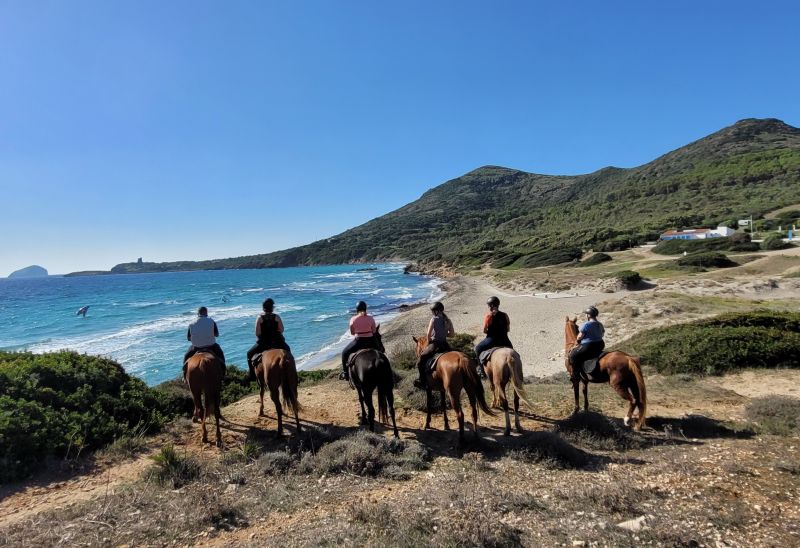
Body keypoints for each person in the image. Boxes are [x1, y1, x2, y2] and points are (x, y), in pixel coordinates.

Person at [246, 298, 291, 381]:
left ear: (263, 308)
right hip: (277, 342)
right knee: (288, 350)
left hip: (264, 343)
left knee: (249, 354)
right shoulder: (276, 317)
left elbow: (257, 333)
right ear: (272, 307)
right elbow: (281, 330)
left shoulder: (259, 318)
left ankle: (252, 376)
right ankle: (291, 371)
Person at [414, 301, 454, 389]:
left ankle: (422, 380)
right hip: (445, 344)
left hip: (435, 344)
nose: (432, 313)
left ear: (436, 311)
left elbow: (428, 335)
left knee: (421, 359)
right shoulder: (448, 320)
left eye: (433, 311)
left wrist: (429, 342)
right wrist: (443, 334)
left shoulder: (433, 319)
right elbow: (452, 335)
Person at [474, 296, 513, 378]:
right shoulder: (505, 315)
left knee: (477, 349)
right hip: (505, 340)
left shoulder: (488, 316)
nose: (488, 307)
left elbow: (484, 330)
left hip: (492, 340)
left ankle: (482, 371)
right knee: (513, 352)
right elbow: (508, 329)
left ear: (491, 306)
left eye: (488, 305)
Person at [183, 306, 226, 380]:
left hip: (196, 347)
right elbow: (217, 334)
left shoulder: (191, 323)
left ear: (198, 313)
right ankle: (223, 373)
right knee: (221, 355)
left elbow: (188, 338)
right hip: (211, 346)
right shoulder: (212, 321)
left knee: (186, 356)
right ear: (206, 312)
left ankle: (184, 375)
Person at [340, 301, 377, 380]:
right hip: (370, 341)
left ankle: (346, 374)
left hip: (358, 342)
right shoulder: (371, 318)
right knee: (380, 351)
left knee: (344, 353)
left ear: (357, 309)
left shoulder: (353, 319)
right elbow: (374, 331)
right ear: (365, 309)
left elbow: (352, 333)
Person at [568, 306, 605, 372]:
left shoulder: (586, 324)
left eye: (586, 314)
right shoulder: (600, 324)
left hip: (588, 346)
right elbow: (602, 334)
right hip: (600, 344)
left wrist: (578, 340)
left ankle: (575, 375)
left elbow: (579, 336)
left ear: (589, 315)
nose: (586, 315)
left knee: (573, 356)